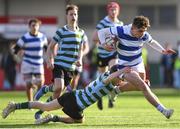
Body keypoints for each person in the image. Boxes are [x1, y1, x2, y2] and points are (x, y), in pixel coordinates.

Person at [2, 65, 174, 124]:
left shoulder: (111, 81)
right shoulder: (107, 79)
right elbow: (110, 80)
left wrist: (142, 84)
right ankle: (18, 107)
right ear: (115, 74)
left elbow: (123, 85)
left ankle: (50, 117)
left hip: (75, 100)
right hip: (74, 100)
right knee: (48, 107)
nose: (121, 80)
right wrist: (121, 71)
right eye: (120, 77)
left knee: (79, 120)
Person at [33, 4, 89, 120]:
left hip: (71, 68)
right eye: (71, 14)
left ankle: (42, 106)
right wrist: (50, 60)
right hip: (59, 64)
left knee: (57, 95)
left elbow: (81, 48)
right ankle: (47, 91)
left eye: (75, 14)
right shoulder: (61, 31)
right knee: (59, 87)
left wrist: (79, 58)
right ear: (66, 16)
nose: (73, 16)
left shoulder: (81, 33)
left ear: (77, 16)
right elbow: (50, 47)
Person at [97, 15, 176, 92]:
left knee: (142, 84)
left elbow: (152, 42)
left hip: (137, 61)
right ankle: (113, 84)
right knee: (142, 85)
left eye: (144, 30)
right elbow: (101, 32)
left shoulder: (144, 34)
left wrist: (163, 50)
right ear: (133, 28)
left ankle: (117, 91)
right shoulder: (121, 30)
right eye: (140, 31)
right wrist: (104, 45)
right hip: (124, 63)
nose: (143, 33)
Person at [92, 1, 124, 110]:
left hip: (113, 54)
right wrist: (104, 45)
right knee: (102, 77)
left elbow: (123, 39)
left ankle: (111, 98)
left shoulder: (120, 24)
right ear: (108, 11)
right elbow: (94, 38)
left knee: (114, 73)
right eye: (111, 9)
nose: (113, 11)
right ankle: (99, 97)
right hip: (102, 54)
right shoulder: (103, 23)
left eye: (115, 9)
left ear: (118, 11)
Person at [13, 18, 48, 101]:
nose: (35, 27)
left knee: (41, 82)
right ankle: (30, 103)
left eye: (36, 25)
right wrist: (19, 52)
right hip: (27, 62)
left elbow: (47, 49)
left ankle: (37, 101)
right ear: (29, 27)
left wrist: (50, 58)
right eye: (33, 25)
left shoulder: (42, 37)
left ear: (39, 26)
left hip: (39, 63)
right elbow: (15, 49)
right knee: (29, 84)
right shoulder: (25, 37)